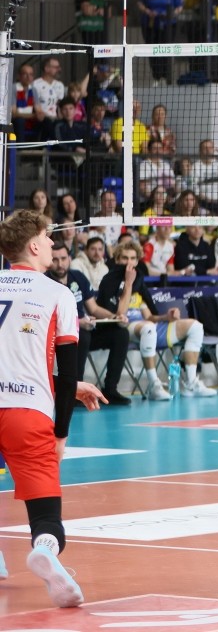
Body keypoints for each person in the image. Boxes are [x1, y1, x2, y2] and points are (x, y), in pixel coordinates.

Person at [0, 210, 105, 606]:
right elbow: (68, 365)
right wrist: (61, 433)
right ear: (33, 246)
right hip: (27, 413)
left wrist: (69, 387)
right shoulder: (58, 294)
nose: (51, 244)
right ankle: (44, 549)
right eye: (47, 237)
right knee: (46, 517)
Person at [97, 237, 218, 399]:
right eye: (125, 258)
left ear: (138, 260)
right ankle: (154, 385)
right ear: (117, 259)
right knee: (148, 328)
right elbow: (120, 314)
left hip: (146, 326)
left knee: (195, 326)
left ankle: (190, 383)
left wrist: (166, 316)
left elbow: (149, 315)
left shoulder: (138, 279)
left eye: (133, 258)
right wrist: (128, 283)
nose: (129, 262)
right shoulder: (109, 281)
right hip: (123, 328)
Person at [48, 237, 131, 406]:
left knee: (121, 333)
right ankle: (74, 390)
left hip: (83, 331)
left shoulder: (77, 276)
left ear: (69, 258)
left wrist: (114, 317)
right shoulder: (45, 281)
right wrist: (78, 323)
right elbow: (48, 317)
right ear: (49, 260)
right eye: (55, 260)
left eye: (63, 259)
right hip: (59, 337)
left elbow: (93, 308)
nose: (60, 264)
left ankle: (110, 389)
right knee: (83, 335)